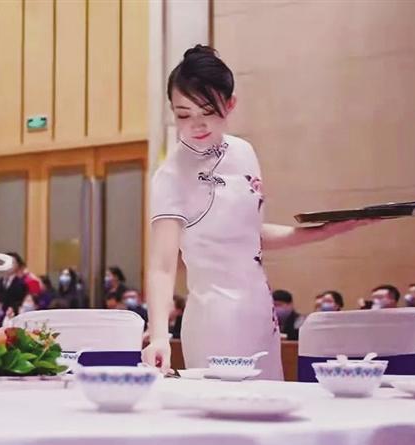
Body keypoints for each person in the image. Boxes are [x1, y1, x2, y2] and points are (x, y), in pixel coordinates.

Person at [141, 45, 379, 378]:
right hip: (214, 317)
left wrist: (324, 231)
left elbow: (247, 236)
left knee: (270, 399)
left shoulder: (243, 153)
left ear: (230, 104)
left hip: (260, 311)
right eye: (183, 114)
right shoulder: (171, 175)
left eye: (208, 110)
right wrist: (160, 335)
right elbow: (162, 265)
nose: (196, 124)